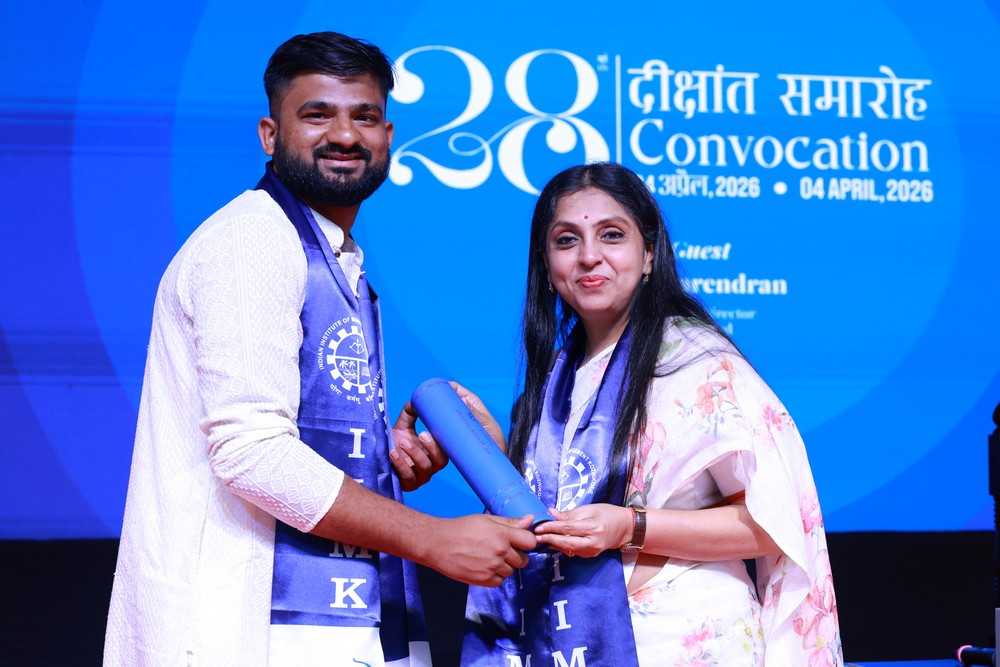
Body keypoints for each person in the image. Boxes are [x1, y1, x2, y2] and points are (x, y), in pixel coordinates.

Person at [103, 31, 536, 667]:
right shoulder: (252, 241)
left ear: (388, 135)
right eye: (317, 114)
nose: (345, 135)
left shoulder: (332, 256)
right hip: (242, 621)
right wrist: (433, 539)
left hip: (316, 616)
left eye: (365, 116)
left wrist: (378, 458)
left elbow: (284, 431)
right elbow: (252, 452)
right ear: (269, 135)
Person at [462, 162, 842, 666]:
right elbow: (557, 516)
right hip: (569, 643)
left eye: (612, 235)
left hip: (686, 642)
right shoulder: (555, 375)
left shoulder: (701, 364)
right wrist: (494, 455)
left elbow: (772, 524)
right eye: (567, 240)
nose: (589, 256)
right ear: (546, 264)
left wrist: (631, 527)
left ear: (648, 255)